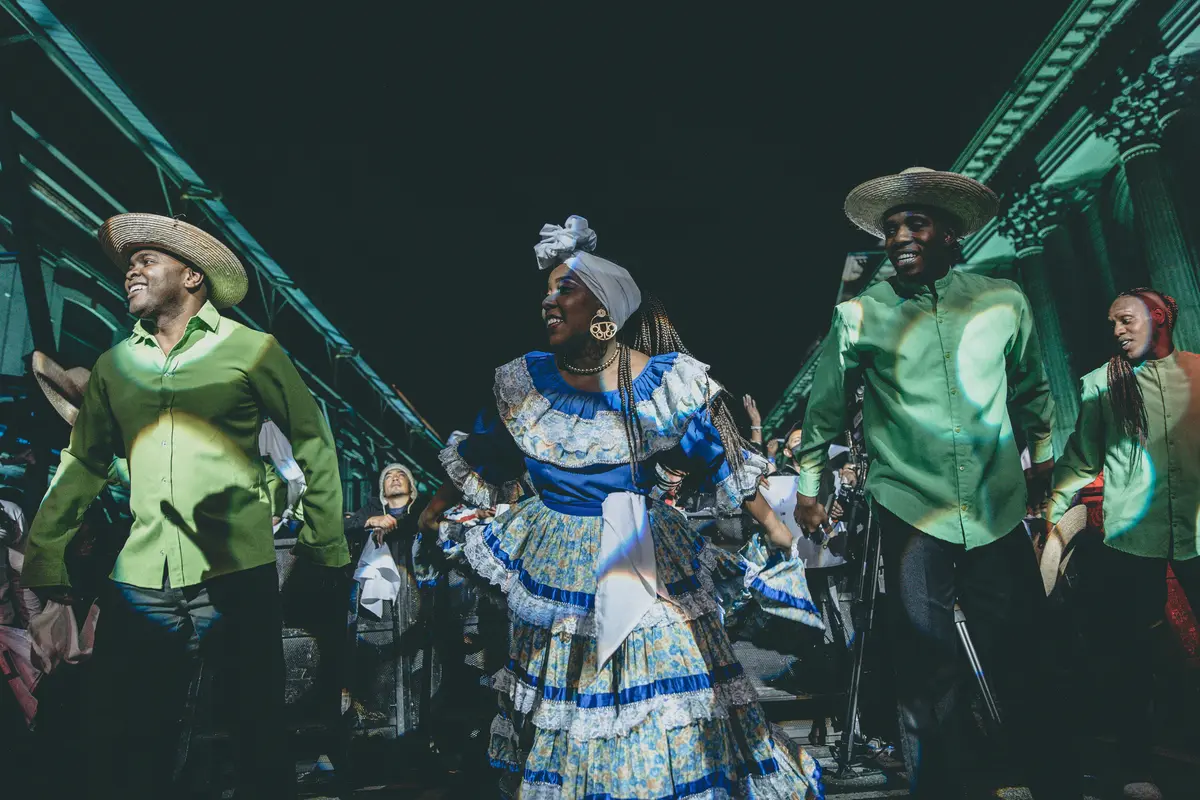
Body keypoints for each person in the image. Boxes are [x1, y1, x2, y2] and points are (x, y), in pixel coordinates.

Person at [418, 215, 826, 799]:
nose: (548, 301)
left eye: (566, 289)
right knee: (571, 700)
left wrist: (783, 538)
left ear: (604, 310)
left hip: (640, 550)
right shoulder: (525, 385)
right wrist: (433, 510)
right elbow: (487, 455)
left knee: (660, 694)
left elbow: (717, 458)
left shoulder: (663, 385)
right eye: (547, 289)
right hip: (556, 557)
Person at [21, 213, 349, 799]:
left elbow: (311, 443)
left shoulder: (253, 351)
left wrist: (325, 545)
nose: (131, 272)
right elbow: (84, 464)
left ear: (192, 276)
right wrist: (46, 554)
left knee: (255, 732)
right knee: (126, 732)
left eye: (147, 261)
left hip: (236, 573)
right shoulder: (115, 366)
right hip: (141, 578)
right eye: (130, 263)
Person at [794, 168, 1070, 797]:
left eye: (914, 223)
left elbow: (1032, 388)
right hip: (909, 508)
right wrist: (811, 489)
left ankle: (1054, 782)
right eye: (890, 228)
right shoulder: (858, 314)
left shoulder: (1004, 299)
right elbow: (826, 412)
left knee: (1028, 657)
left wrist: (1044, 460)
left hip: (997, 503)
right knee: (926, 669)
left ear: (949, 233)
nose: (899, 236)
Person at [1047, 288, 1200, 800]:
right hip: (1131, 539)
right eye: (1112, 322)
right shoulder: (1099, 385)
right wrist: (1053, 517)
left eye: (1127, 319)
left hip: (1199, 535)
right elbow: (1080, 458)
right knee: (1131, 657)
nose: (1117, 330)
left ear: (1159, 317)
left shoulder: (1199, 373)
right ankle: (1138, 767)